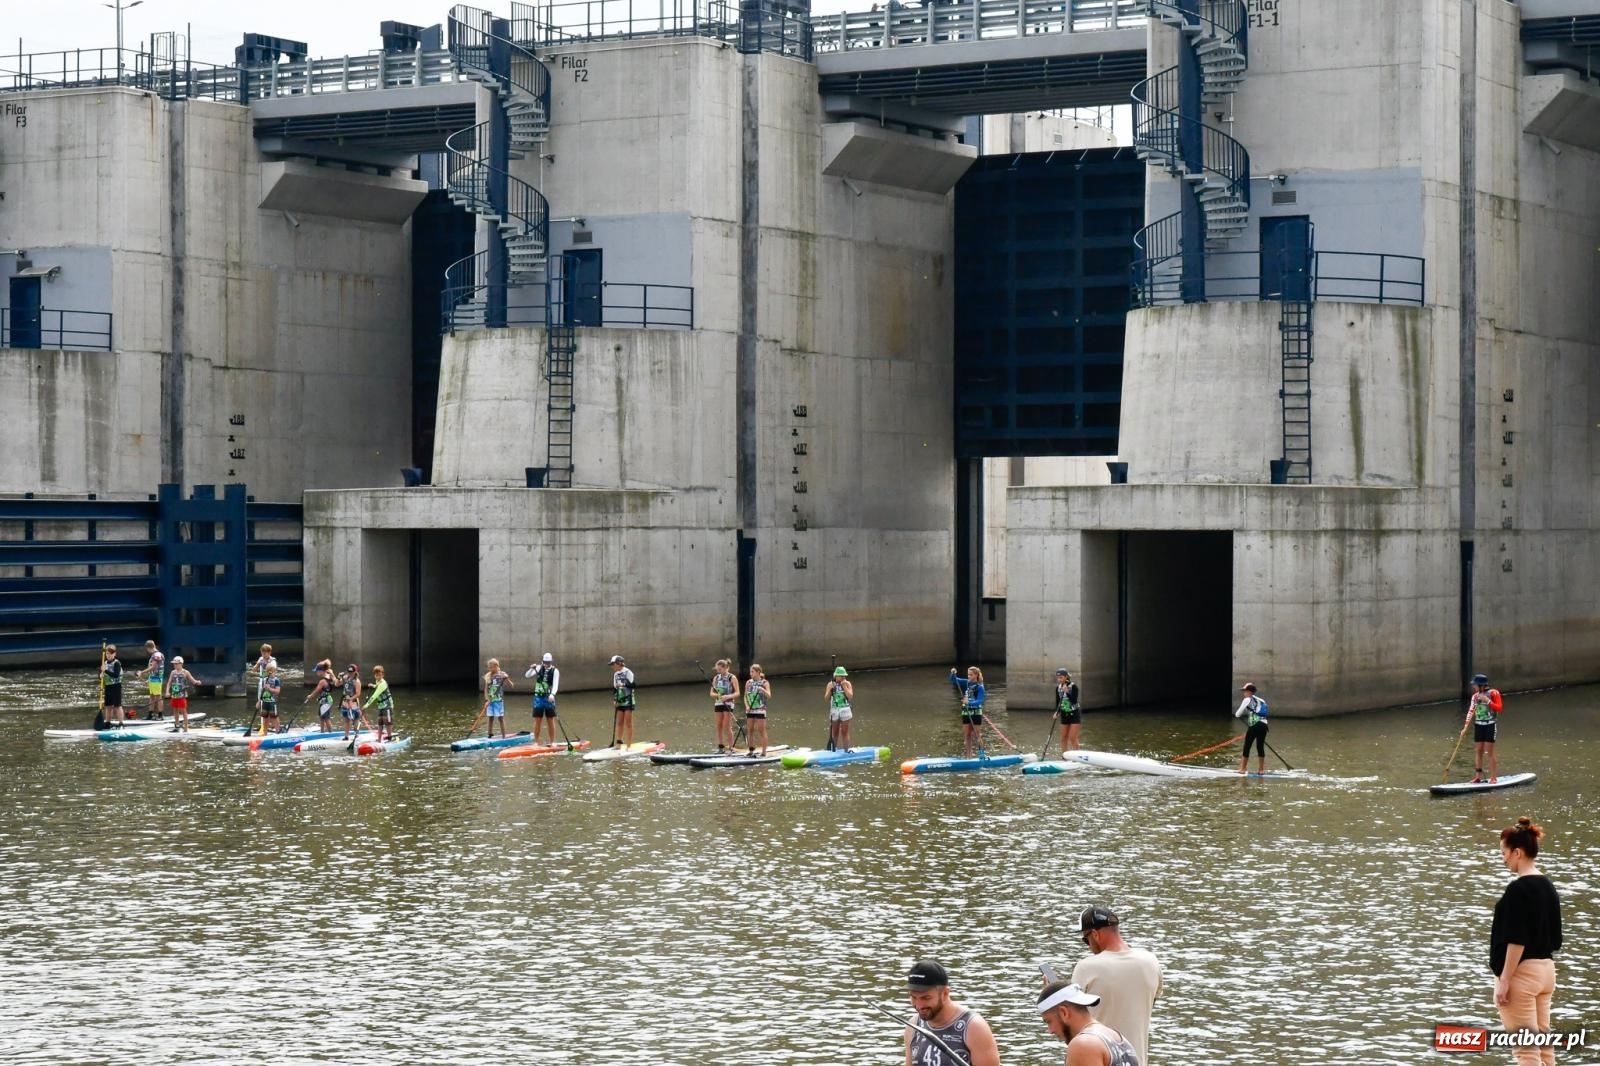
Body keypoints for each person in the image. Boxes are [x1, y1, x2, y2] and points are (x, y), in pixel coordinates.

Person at [1491, 816, 1562, 1066]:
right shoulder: (1548, 886)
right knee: (1544, 1048)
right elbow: (1556, 937)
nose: (1503, 859)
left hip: (1522, 975)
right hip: (1546, 972)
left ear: (1518, 852)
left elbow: (1516, 940)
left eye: (1504, 853)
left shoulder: (1518, 890)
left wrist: (1505, 980)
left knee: (1526, 1052)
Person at [1070, 907, 1161, 1066]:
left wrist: (1052, 995)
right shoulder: (1151, 961)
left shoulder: (1086, 967)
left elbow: (1071, 1022)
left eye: (1086, 940)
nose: (1088, 946)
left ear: (1096, 935)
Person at [902, 959, 1001, 1066]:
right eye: (913, 997)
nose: (919, 1005)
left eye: (926, 998)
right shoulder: (912, 1027)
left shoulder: (974, 1028)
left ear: (945, 993)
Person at [1036, 980, 1140, 1066]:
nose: (1050, 1031)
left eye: (1048, 1021)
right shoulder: (1117, 1037)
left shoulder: (1083, 1045)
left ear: (1064, 1012)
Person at [1466, 673, 1504, 784]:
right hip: (1478, 725)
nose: (1474, 687)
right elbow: (1471, 711)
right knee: (1478, 750)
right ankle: (1477, 777)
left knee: (1489, 752)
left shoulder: (1494, 693)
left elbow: (1499, 708)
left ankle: (1493, 778)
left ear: (1482, 685)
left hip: (1490, 724)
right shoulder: (1475, 696)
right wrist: (1465, 727)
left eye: (1475, 685)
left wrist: (1486, 700)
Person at [949, 666, 986, 757]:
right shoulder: (966, 683)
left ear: (976, 675)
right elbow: (953, 680)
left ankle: (981, 754)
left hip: (976, 712)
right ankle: (968, 756)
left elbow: (980, 701)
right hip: (966, 712)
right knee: (967, 735)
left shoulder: (980, 687)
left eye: (971, 675)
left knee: (977, 735)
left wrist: (969, 702)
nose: (968, 676)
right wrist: (953, 673)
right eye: (968, 674)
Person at [525, 652, 560, 745]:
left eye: (548, 662)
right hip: (538, 699)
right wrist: (531, 669)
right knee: (538, 721)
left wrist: (552, 694)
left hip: (549, 698)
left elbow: (555, 685)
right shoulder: (538, 668)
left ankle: (553, 742)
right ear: (543, 661)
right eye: (545, 662)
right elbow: (527, 675)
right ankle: (536, 742)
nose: (546, 664)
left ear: (551, 662)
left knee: (550, 720)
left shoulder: (555, 671)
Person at [1234, 682, 1268, 775]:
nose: (1243, 693)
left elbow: (1238, 714)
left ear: (1249, 691)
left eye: (1244, 691)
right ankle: (1261, 770)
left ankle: (1243, 769)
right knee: (1260, 746)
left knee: (1247, 746)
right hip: (1264, 725)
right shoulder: (1262, 700)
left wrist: (1237, 715)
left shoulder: (1247, 699)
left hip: (1254, 724)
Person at [709, 658, 741, 752]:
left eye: (720, 669)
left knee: (726, 726)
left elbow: (737, 693)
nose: (718, 671)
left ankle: (731, 748)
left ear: (726, 667)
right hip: (718, 703)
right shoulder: (716, 678)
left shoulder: (732, 677)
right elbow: (711, 693)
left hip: (729, 703)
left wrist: (727, 696)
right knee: (718, 725)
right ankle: (721, 747)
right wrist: (717, 695)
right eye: (717, 670)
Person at [742, 663, 774, 756]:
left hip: (760, 709)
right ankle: (751, 750)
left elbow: (769, 695)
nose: (750, 673)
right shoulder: (748, 682)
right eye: (750, 672)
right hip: (750, 709)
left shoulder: (764, 682)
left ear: (758, 672)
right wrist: (747, 706)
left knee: (761, 730)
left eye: (752, 672)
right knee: (750, 730)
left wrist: (763, 690)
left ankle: (764, 752)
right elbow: (745, 696)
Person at [165, 656, 198, 733]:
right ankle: (177, 726)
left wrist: (197, 682)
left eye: (176, 664)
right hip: (174, 695)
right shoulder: (172, 672)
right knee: (175, 710)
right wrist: (167, 692)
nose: (175, 665)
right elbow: (169, 683)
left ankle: (186, 728)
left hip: (182, 695)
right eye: (174, 664)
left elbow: (193, 681)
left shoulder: (185, 672)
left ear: (181, 664)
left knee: (183, 711)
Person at [482, 658, 513, 738]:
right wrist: (486, 700)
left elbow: (511, 685)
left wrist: (507, 678)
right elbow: (486, 690)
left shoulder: (502, 675)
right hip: (490, 701)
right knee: (490, 718)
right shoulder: (488, 676)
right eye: (489, 667)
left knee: (500, 718)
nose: (490, 669)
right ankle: (490, 735)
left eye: (491, 667)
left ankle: (503, 737)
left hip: (498, 701)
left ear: (496, 666)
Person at [609, 654, 636, 747]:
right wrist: (615, 699)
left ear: (618, 663)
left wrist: (623, 685)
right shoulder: (615, 674)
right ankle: (618, 744)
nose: (612, 666)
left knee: (628, 723)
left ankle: (629, 745)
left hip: (629, 701)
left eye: (613, 664)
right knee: (620, 723)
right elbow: (615, 689)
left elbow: (633, 685)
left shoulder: (628, 672)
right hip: (620, 701)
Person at [304, 660, 337, 733]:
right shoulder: (328, 676)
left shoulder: (322, 681)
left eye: (317, 671)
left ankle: (330, 733)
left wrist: (310, 696)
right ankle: (322, 732)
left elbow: (316, 690)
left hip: (326, 701)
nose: (316, 673)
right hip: (323, 701)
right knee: (322, 717)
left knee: (326, 718)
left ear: (322, 671)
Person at [136, 640, 167, 720]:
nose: (147, 651)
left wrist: (141, 672)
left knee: (158, 696)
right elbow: (153, 670)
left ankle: (160, 715)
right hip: (153, 678)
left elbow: (153, 667)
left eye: (147, 649)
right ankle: (150, 714)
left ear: (149, 648)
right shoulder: (156, 655)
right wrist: (149, 679)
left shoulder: (156, 655)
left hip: (157, 679)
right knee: (152, 696)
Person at [826, 666, 854, 751]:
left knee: (844, 732)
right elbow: (826, 699)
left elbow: (850, 697)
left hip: (845, 710)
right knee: (835, 732)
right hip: (834, 710)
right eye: (841, 676)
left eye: (844, 676)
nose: (843, 678)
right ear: (836, 676)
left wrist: (844, 687)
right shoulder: (830, 684)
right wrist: (830, 690)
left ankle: (846, 750)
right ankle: (833, 750)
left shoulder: (847, 683)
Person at [363, 665, 394, 740]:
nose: (378, 677)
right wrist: (373, 686)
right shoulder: (377, 681)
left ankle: (389, 737)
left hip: (387, 706)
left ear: (383, 675)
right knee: (380, 723)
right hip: (380, 706)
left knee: (387, 723)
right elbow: (377, 687)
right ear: (375, 675)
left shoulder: (383, 684)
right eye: (376, 675)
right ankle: (379, 739)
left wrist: (366, 705)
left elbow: (374, 695)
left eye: (380, 675)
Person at [1056, 668, 1081, 752]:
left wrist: (1067, 692)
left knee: (1073, 738)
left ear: (1066, 677)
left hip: (1074, 714)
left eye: (1061, 677)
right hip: (1064, 714)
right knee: (1063, 737)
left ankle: (1077, 756)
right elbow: (1058, 702)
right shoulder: (1058, 688)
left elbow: (1074, 701)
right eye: (1058, 678)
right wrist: (1057, 712)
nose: (1059, 679)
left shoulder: (1073, 686)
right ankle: (1064, 757)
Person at [100, 644, 125, 727]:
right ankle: (107, 722)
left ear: (114, 654)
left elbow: (116, 675)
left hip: (116, 687)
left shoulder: (117, 663)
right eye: (107, 653)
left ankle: (121, 723)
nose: (108, 655)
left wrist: (105, 671)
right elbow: (101, 674)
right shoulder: (105, 663)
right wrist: (100, 675)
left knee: (117, 706)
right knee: (108, 706)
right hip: (108, 687)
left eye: (110, 653)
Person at [339, 663, 364, 739]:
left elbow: (358, 694)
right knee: (346, 720)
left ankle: (356, 735)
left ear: (355, 672)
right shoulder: (345, 677)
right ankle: (346, 736)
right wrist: (338, 677)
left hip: (353, 704)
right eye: (349, 672)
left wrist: (350, 698)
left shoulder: (357, 681)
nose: (350, 673)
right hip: (344, 703)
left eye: (352, 672)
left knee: (355, 720)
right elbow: (337, 684)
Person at [257, 663, 283, 734]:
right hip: (264, 702)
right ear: (267, 672)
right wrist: (259, 701)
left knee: (274, 717)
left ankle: (278, 732)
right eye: (269, 672)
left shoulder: (276, 680)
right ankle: (265, 733)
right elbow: (261, 692)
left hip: (272, 702)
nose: (271, 674)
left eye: (273, 672)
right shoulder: (264, 680)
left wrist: (269, 689)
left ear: (275, 672)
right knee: (265, 718)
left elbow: (277, 691)